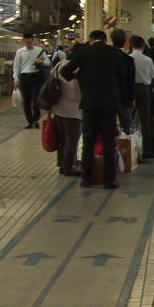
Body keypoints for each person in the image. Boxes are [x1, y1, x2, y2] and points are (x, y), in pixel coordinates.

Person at [62, 30, 126, 189]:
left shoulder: (84, 52)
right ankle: (109, 180)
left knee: (89, 140)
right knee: (108, 140)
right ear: (105, 39)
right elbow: (122, 74)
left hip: (89, 103)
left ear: (91, 39)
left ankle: (86, 178)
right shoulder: (113, 52)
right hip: (109, 103)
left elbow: (65, 72)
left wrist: (79, 76)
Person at [50, 43, 83, 176]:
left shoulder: (60, 64)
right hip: (73, 109)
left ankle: (62, 165)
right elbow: (79, 90)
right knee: (72, 140)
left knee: (62, 138)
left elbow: (52, 78)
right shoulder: (79, 68)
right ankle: (69, 167)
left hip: (58, 106)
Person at [13, 33, 50, 129]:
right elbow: (16, 67)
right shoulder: (19, 52)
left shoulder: (39, 50)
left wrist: (41, 61)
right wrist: (16, 79)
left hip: (36, 77)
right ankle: (29, 121)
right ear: (23, 41)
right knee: (26, 101)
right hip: (24, 77)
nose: (28, 44)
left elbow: (48, 62)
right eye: (26, 42)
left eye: (29, 41)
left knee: (35, 99)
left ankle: (35, 119)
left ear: (32, 40)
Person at [129, 35, 154, 160]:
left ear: (131, 45)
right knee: (145, 121)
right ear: (143, 46)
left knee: (128, 120)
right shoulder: (148, 60)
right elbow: (152, 76)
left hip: (130, 91)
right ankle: (147, 152)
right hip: (144, 90)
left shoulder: (128, 58)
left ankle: (130, 150)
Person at [110, 29, 136, 134]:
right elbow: (131, 81)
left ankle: (111, 147)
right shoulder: (129, 60)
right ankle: (126, 147)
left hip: (108, 98)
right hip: (124, 98)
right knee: (127, 126)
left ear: (111, 40)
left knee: (109, 126)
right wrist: (132, 99)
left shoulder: (107, 57)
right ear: (125, 41)